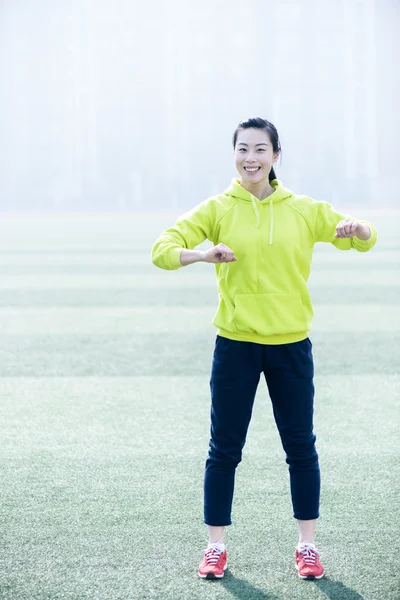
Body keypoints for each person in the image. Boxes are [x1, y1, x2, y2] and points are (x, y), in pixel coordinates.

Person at [151, 117, 378, 581]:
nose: (249, 157)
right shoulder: (218, 208)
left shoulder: (303, 209)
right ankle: (215, 548)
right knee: (224, 449)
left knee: (300, 447)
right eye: (242, 149)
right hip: (235, 346)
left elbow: (362, 236)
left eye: (259, 149)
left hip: (291, 346)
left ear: (276, 156)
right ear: (233, 155)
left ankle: (308, 547)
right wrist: (202, 253)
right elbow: (163, 248)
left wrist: (357, 229)